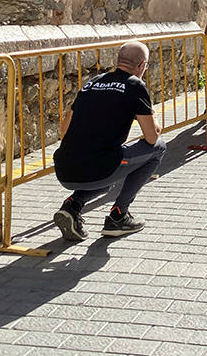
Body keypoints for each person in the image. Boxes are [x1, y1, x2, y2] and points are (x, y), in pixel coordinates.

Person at [52, 41, 166, 241]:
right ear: (141, 66)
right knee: (158, 148)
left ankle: (72, 206)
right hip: (101, 167)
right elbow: (151, 137)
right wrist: (152, 114)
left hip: (64, 169)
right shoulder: (135, 85)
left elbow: (64, 129)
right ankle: (119, 216)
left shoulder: (93, 82)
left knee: (108, 177)